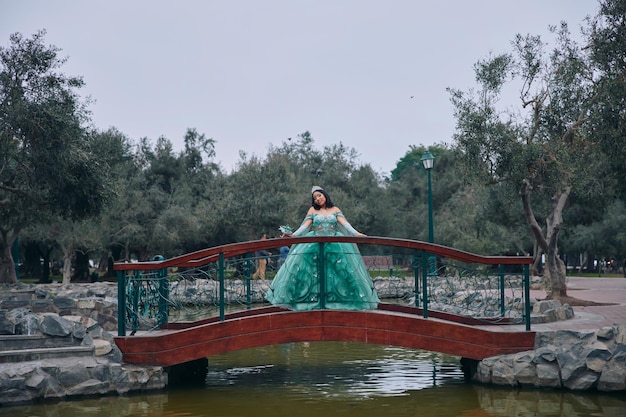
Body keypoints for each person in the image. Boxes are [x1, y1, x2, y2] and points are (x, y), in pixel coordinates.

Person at [266, 186, 379, 311]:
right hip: (315, 244)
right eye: (315, 198)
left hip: (335, 244)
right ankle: (310, 301)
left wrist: (356, 234)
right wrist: (292, 236)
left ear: (325, 195)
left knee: (341, 272)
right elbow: (304, 227)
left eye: (319, 196)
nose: (318, 199)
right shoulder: (313, 211)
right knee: (309, 272)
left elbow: (345, 224)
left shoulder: (335, 210)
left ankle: (341, 301)